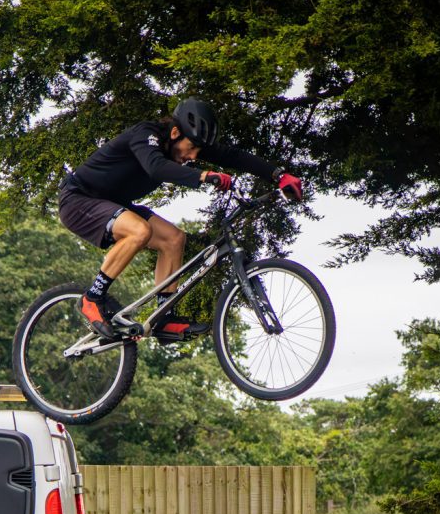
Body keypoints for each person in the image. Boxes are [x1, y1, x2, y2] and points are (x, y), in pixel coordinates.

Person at [58, 98, 303, 340]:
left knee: (174, 239)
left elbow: (233, 156)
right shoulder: (145, 134)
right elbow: (156, 167)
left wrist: (278, 175)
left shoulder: (185, 144)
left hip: (114, 204)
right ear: (175, 132)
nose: (194, 156)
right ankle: (92, 299)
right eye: (192, 148)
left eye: (198, 151)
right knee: (139, 231)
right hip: (79, 199)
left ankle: (163, 318)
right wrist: (203, 176)